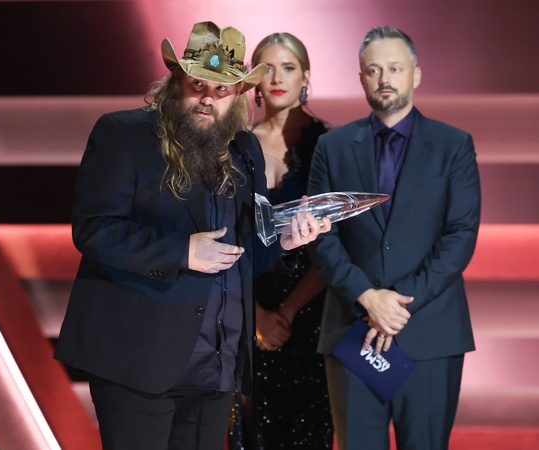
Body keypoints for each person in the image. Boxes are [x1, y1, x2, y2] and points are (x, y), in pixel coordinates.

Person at [53, 21, 330, 450]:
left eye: (222, 89)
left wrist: (284, 241)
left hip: (216, 366)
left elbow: (240, 254)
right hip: (139, 362)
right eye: (198, 83)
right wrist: (181, 251)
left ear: (238, 94)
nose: (208, 97)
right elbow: (94, 228)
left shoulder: (245, 150)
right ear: (176, 81)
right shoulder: (123, 134)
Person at [307, 26, 481, 450]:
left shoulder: (453, 145)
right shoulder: (332, 147)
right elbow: (321, 237)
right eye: (373, 70)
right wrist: (367, 297)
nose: (384, 78)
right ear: (361, 78)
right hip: (353, 329)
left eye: (395, 68)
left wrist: (397, 306)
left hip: (429, 332)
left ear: (416, 75)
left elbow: (460, 235)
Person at [228, 32, 334, 449]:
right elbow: (225, 234)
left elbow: (337, 242)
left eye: (288, 67)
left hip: (311, 311)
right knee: (252, 431)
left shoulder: (330, 144)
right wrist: (255, 315)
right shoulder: (234, 145)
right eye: (267, 68)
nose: (276, 78)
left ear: (305, 76)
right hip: (244, 307)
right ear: (254, 79)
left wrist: (286, 312)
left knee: (309, 428)